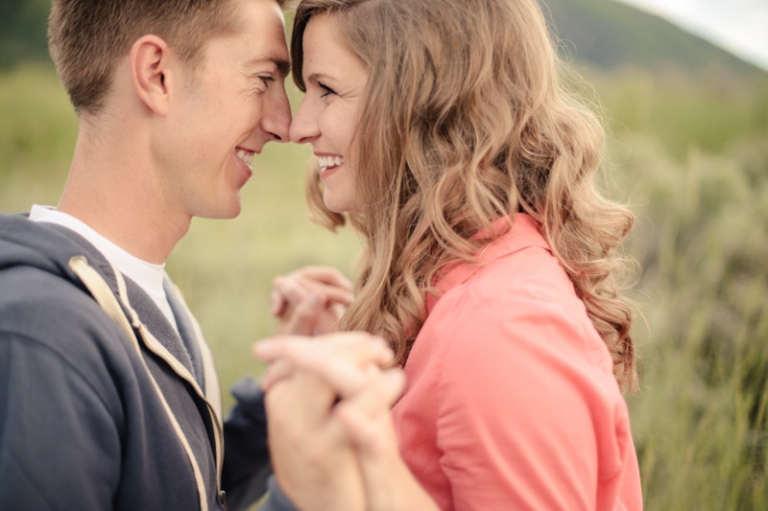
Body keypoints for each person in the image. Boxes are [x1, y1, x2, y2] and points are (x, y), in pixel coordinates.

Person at [258, 0, 644, 509]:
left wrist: (332, 485)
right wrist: (351, 380)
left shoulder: (505, 333)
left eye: (327, 90)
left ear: (424, 102)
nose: (298, 126)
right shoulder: (453, 288)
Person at [0, 0, 358, 509]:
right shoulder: (41, 337)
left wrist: (282, 400)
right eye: (263, 79)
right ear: (157, 75)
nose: (285, 123)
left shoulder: (150, 298)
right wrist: (307, 491)